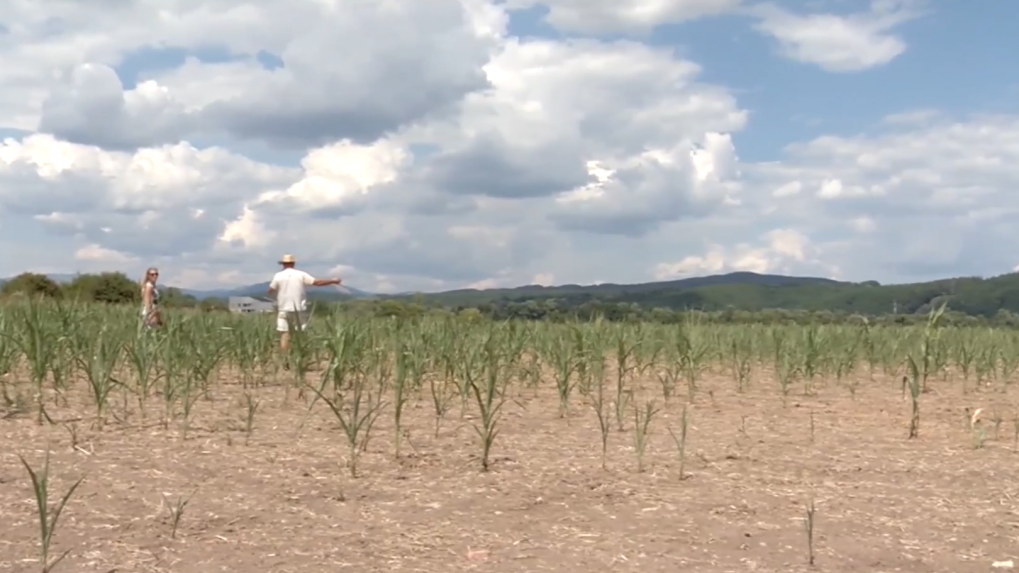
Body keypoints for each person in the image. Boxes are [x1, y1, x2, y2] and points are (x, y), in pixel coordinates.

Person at [267, 254, 341, 353]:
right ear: (293, 263)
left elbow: (271, 290)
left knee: (284, 334)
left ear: (283, 264)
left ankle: (285, 358)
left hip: (284, 308)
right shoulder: (301, 274)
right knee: (299, 332)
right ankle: (299, 355)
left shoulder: (278, 276)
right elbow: (317, 283)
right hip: (299, 308)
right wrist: (333, 281)